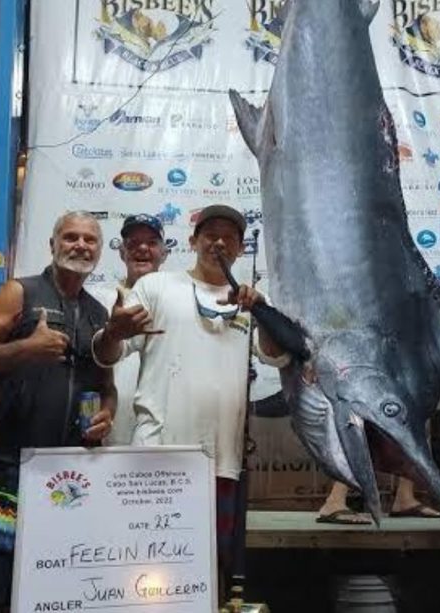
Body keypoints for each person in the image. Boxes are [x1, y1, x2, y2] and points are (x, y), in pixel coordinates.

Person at [93, 204, 286, 586]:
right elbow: (106, 354)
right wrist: (113, 331)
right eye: (210, 234)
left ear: (240, 248)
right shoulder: (155, 287)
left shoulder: (248, 301)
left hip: (221, 462)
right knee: (144, 571)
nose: (219, 242)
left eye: (229, 237)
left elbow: (275, 356)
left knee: (208, 576)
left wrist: (262, 311)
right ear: (192, 241)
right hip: (156, 456)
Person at [0, 211, 117, 612]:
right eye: (71, 237)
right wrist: (24, 349)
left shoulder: (99, 313)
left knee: (56, 595)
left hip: (70, 480)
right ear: (53, 244)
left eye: (90, 240)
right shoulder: (19, 292)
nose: (80, 245)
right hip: (11, 473)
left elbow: (107, 388)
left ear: (99, 251)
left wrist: (107, 414)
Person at [91, 213, 167, 446]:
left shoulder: (178, 302)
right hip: (107, 424)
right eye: (132, 244)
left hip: (161, 428)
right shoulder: (98, 300)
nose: (142, 248)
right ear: (122, 252)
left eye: (152, 243)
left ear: (164, 253)